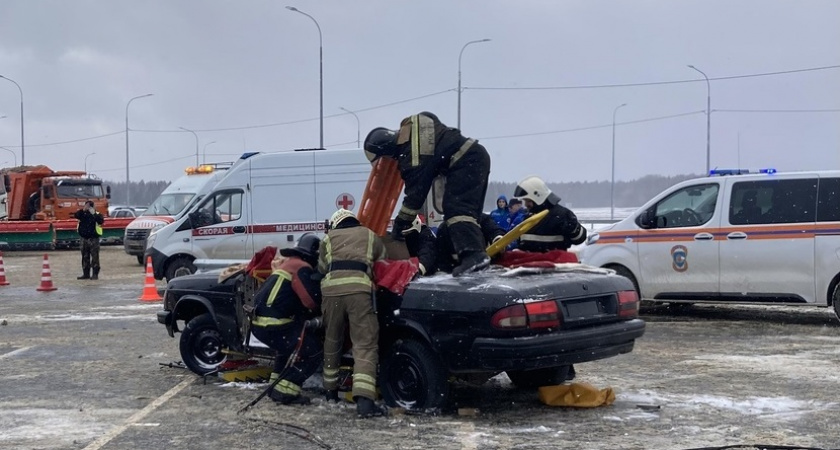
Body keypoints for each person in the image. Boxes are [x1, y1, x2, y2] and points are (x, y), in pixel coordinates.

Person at [364, 111, 491, 277]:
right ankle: (473, 255)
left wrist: (401, 223)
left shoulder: (411, 156)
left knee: (456, 209)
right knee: (466, 212)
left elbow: (415, 196)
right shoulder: (414, 132)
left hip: (466, 161)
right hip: (474, 156)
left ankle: (474, 256)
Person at [318, 208, 387, 418]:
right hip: (359, 291)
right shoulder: (369, 235)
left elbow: (322, 267)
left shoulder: (328, 239)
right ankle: (365, 402)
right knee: (364, 344)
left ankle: (330, 392)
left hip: (331, 292)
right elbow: (382, 262)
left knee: (332, 340)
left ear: (335, 223)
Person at [250, 234, 323, 406]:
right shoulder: (302, 267)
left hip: (260, 325)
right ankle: (285, 392)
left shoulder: (287, 264)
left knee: (286, 348)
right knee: (314, 351)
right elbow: (310, 301)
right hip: (275, 325)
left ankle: (274, 386)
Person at [513, 176, 587, 252]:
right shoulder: (527, 217)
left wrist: (572, 226)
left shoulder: (562, 215)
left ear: (538, 197)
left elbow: (580, 238)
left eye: (528, 201)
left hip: (556, 262)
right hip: (529, 262)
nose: (525, 204)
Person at [436, 214, 505, 274]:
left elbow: (494, 231)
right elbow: (442, 260)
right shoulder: (444, 228)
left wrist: (498, 239)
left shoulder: (481, 219)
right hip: (456, 271)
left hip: (484, 266)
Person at [74, 200, 104, 280]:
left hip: (93, 238)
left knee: (95, 257)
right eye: (87, 206)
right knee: (85, 257)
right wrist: (83, 210)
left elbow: (101, 221)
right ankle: (85, 274)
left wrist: (93, 212)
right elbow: (76, 215)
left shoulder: (96, 214)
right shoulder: (83, 214)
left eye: (90, 206)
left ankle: (95, 274)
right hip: (84, 238)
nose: (88, 207)